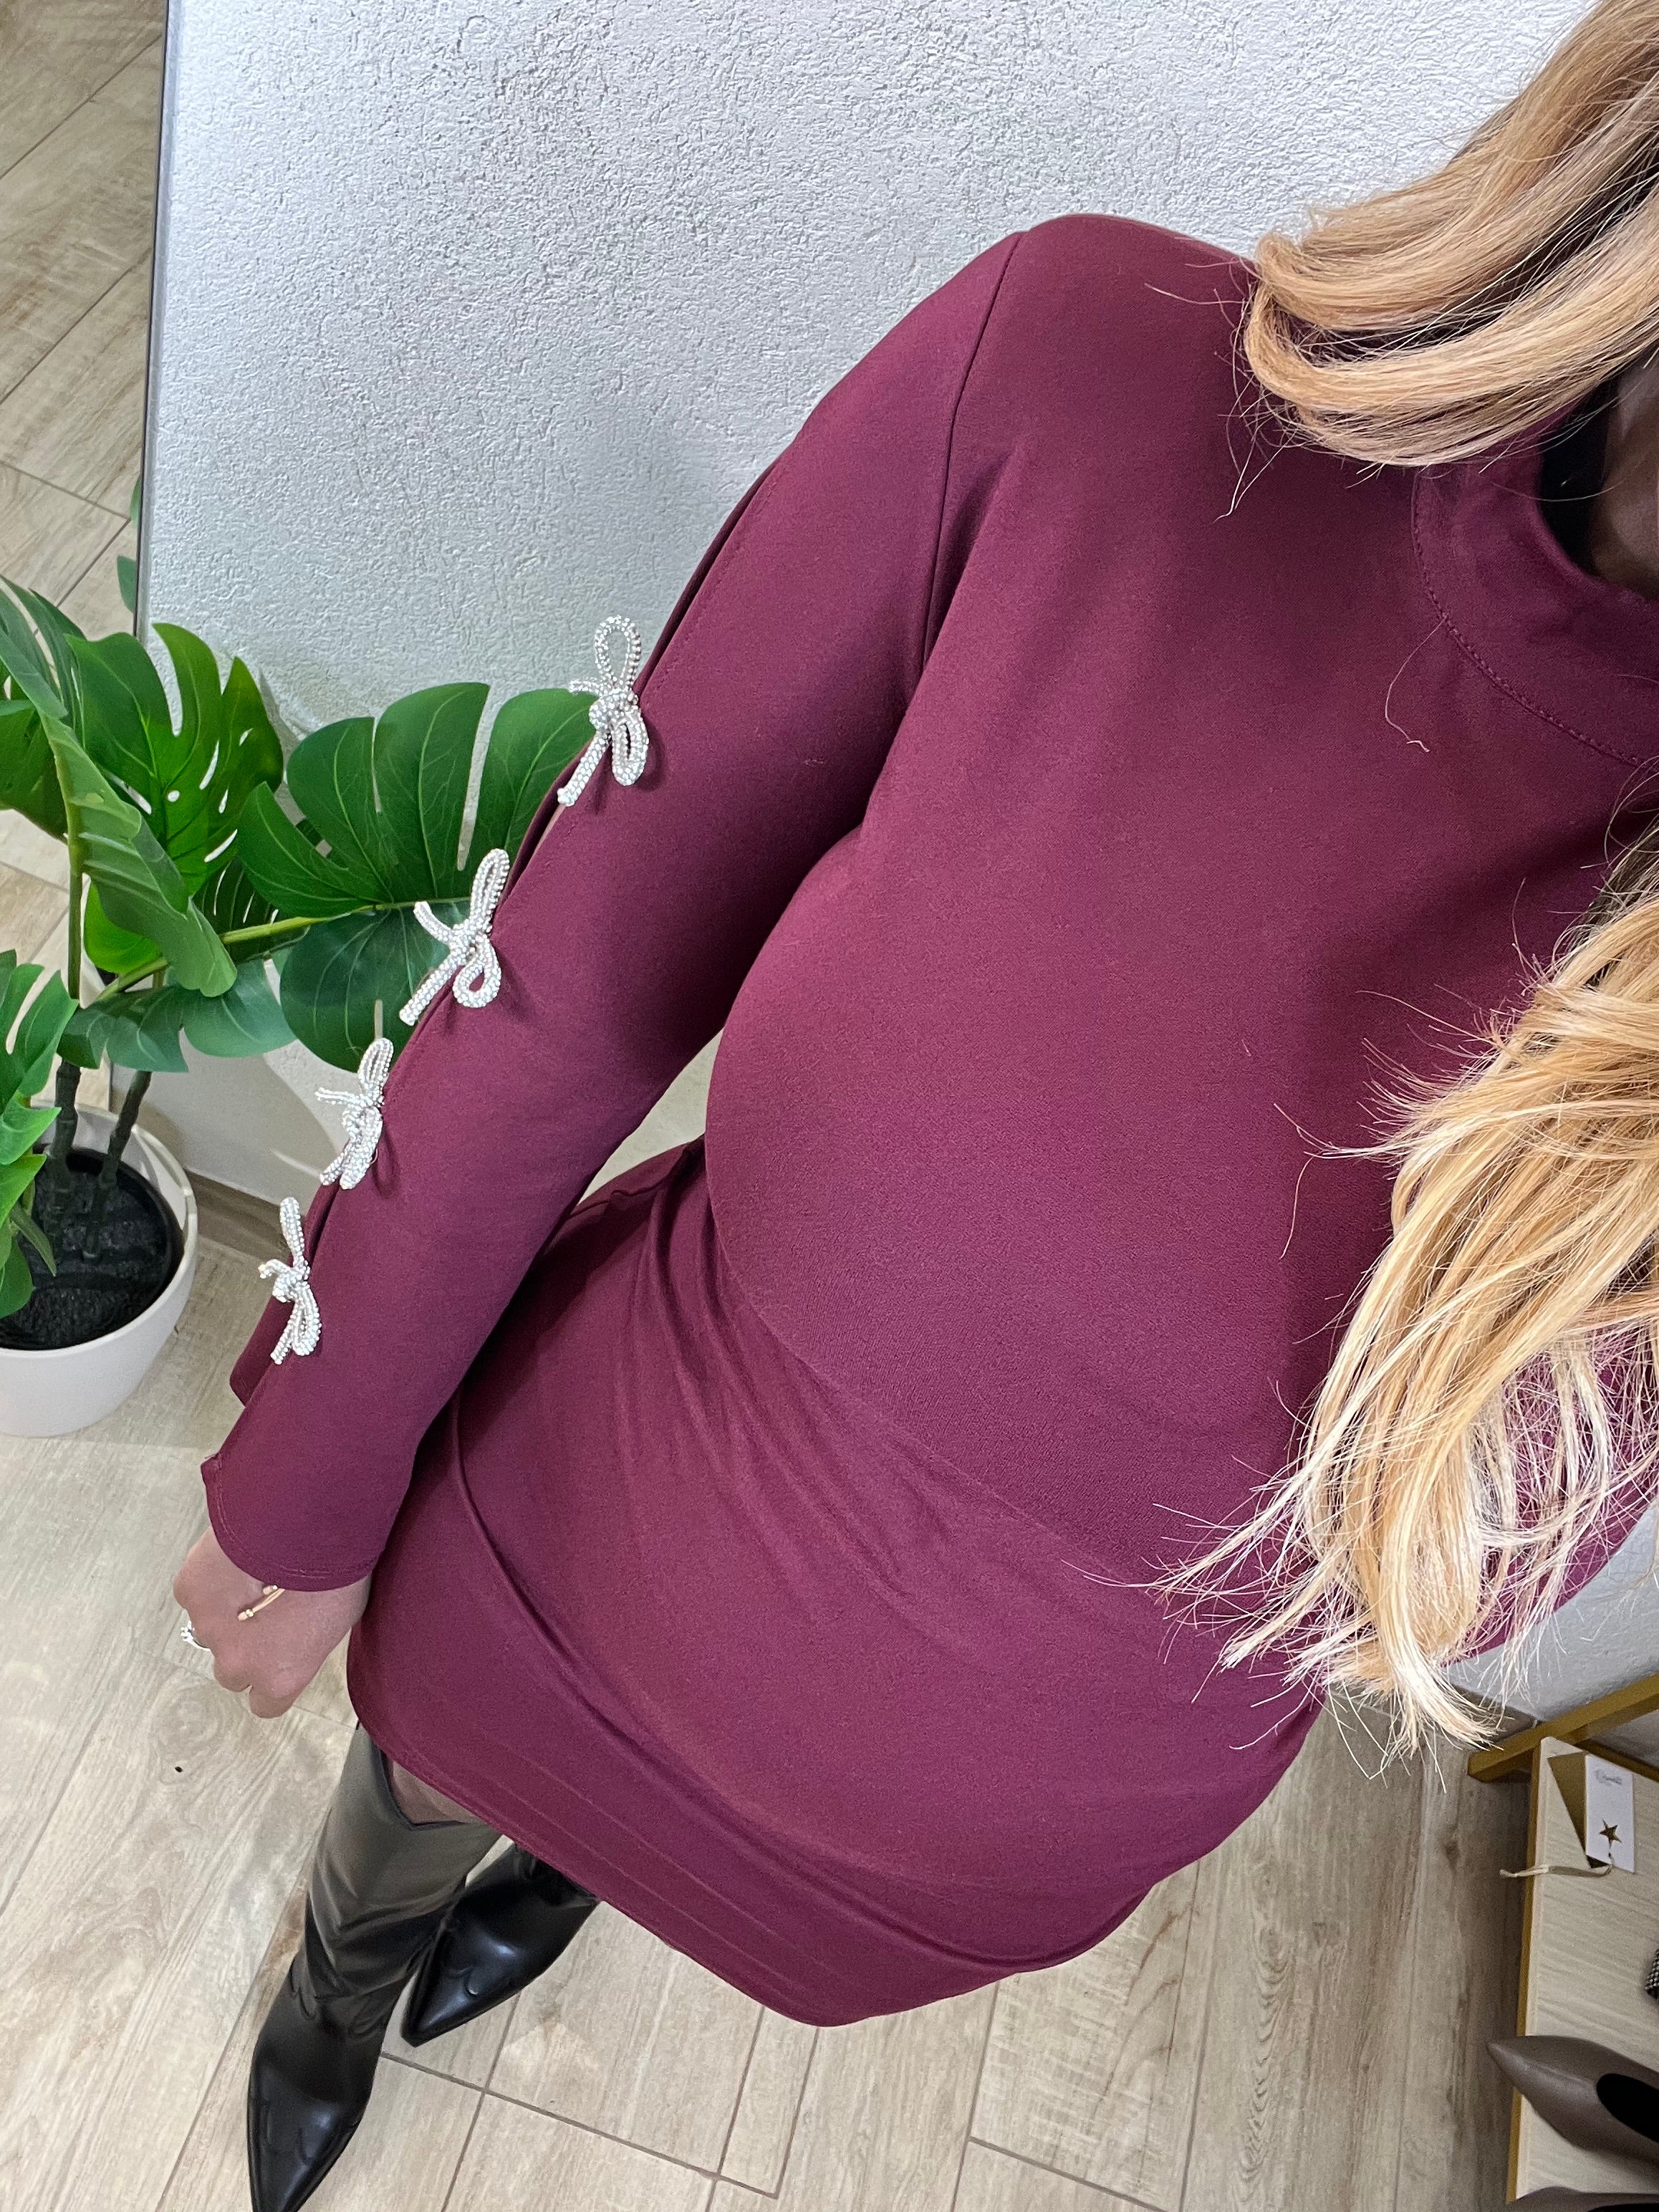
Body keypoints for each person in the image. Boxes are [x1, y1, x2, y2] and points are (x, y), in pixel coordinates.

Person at [174, 4, 1659, 2205]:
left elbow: (1443, 1578)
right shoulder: (1103, 387)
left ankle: (542, 1888)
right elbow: (580, 970)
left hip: (979, 1855)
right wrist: (305, 1485)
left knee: (578, 1861)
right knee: (408, 1803)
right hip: (563, 1577)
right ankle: (341, 1968)